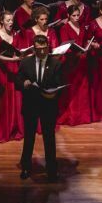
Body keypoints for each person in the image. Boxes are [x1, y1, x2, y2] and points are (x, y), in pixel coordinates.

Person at [16, 35, 65, 181]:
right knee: (29, 137)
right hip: (31, 104)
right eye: (39, 49)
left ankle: (51, 170)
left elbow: (59, 84)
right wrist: (23, 83)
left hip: (48, 105)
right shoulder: (25, 63)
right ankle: (26, 167)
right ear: (34, 48)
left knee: (49, 138)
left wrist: (53, 93)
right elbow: (18, 80)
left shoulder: (56, 64)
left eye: (44, 48)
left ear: (48, 47)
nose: (42, 52)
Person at [57, 5, 92, 126]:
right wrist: (76, 53)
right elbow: (65, 46)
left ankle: (83, 116)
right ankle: (72, 116)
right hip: (71, 62)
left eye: (78, 15)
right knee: (72, 89)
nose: (76, 18)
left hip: (82, 61)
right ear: (68, 15)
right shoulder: (64, 28)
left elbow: (86, 40)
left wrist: (88, 45)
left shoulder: (82, 27)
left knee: (82, 88)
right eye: (74, 16)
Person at [0, 11, 23, 142]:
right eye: (8, 20)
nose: (11, 22)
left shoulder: (16, 34)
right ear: (2, 21)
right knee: (4, 101)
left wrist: (21, 56)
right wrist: (13, 60)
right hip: (2, 71)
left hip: (15, 69)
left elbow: (20, 50)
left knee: (16, 99)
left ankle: (16, 128)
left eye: (12, 20)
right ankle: (5, 130)